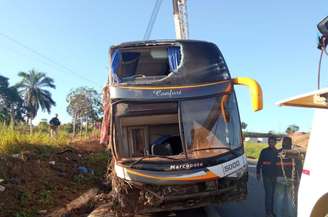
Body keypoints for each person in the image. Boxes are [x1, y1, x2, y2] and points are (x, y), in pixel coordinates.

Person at [274, 136, 302, 217]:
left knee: (279, 199)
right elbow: (299, 168)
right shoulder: (295, 153)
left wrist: (273, 177)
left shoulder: (277, 152)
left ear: (283, 143)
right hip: (291, 180)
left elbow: (273, 166)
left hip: (279, 179)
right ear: (290, 143)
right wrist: (300, 179)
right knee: (291, 201)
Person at [257, 135, 278, 217]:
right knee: (269, 194)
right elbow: (259, 163)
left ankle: (271, 211)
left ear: (275, 143)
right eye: (270, 142)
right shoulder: (264, 151)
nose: (271, 143)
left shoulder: (277, 152)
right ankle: (268, 212)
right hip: (266, 176)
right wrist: (258, 173)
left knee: (272, 195)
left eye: (272, 142)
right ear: (268, 142)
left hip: (274, 176)